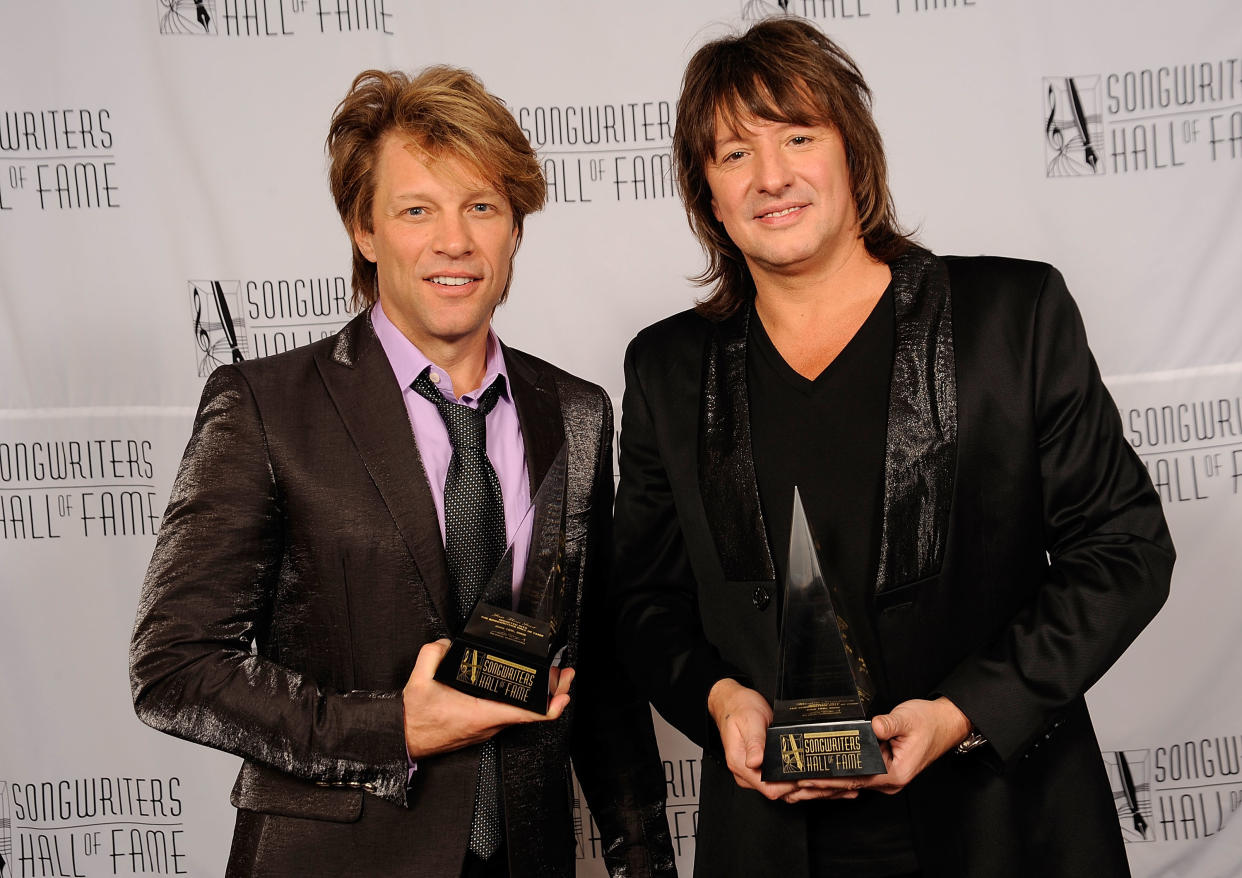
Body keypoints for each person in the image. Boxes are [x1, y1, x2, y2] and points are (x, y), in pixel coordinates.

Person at [611, 17, 1173, 878]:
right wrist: (720, 699)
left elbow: (1124, 551)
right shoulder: (667, 367)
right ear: (708, 195)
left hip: (1005, 827)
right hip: (772, 845)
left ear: (853, 154)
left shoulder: (1009, 318)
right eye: (733, 154)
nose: (771, 176)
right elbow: (645, 601)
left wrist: (961, 712)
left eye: (798, 135)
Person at [131, 65, 675, 878]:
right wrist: (395, 728)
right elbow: (174, 668)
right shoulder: (264, 405)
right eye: (417, 209)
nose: (453, 241)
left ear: (514, 228)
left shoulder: (577, 412)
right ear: (365, 228)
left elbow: (600, 681)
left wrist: (643, 862)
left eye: (481, 207)